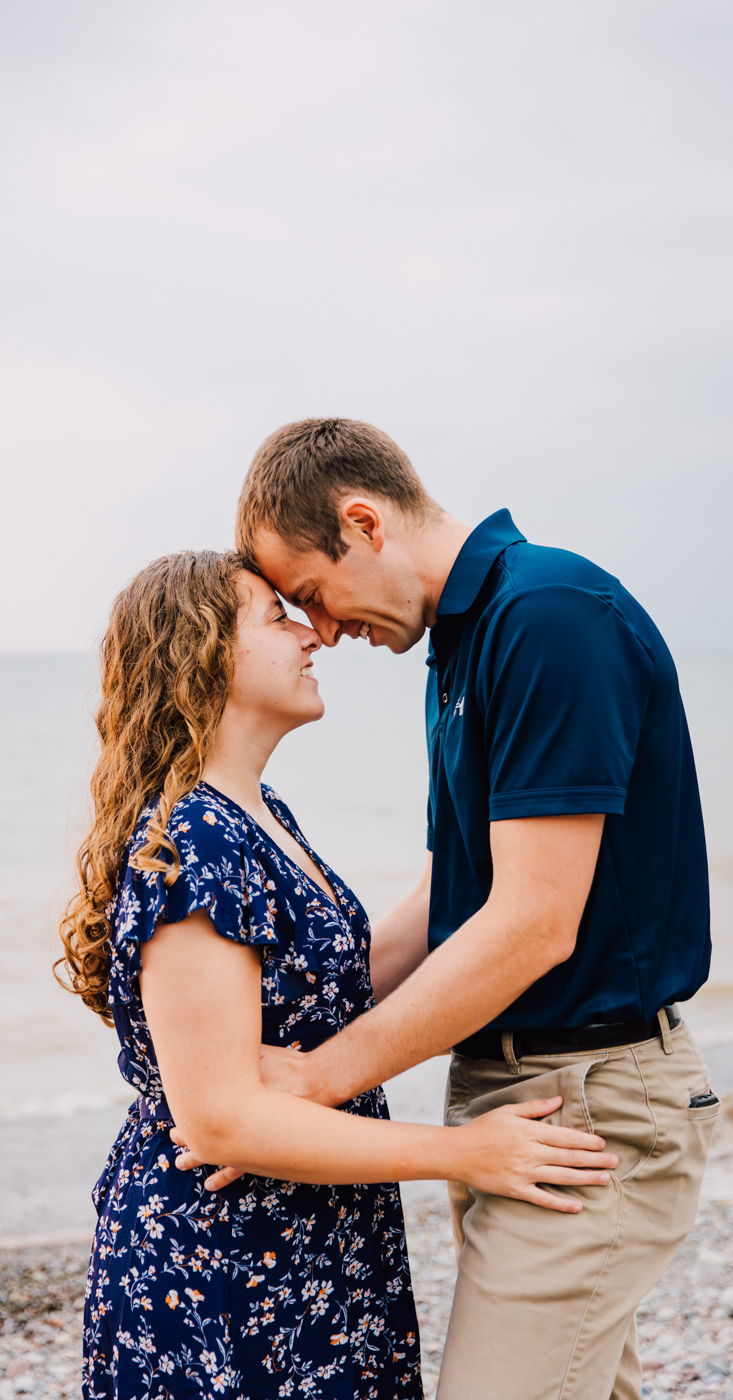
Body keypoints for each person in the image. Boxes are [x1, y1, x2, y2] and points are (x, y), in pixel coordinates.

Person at [182, 416, 716, 1400]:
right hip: (513, 1085)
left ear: (364, 521)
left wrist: (321, 1075)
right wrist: (260, 1055)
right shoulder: (467, 644)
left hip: (590, 1093)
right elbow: (450, 900)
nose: (328, 631)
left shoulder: (549, 615)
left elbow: (531, 924)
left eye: (313, 594)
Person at [57, 548, 616, 1400]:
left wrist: (509, 797)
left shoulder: (256, 815)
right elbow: (220, 1123)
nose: (312, 634)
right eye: (277, 617)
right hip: (223, 1257)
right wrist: (464, 1154)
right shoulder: (197, 840)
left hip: (311, 1226)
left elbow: (345, 977)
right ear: (202, 651)